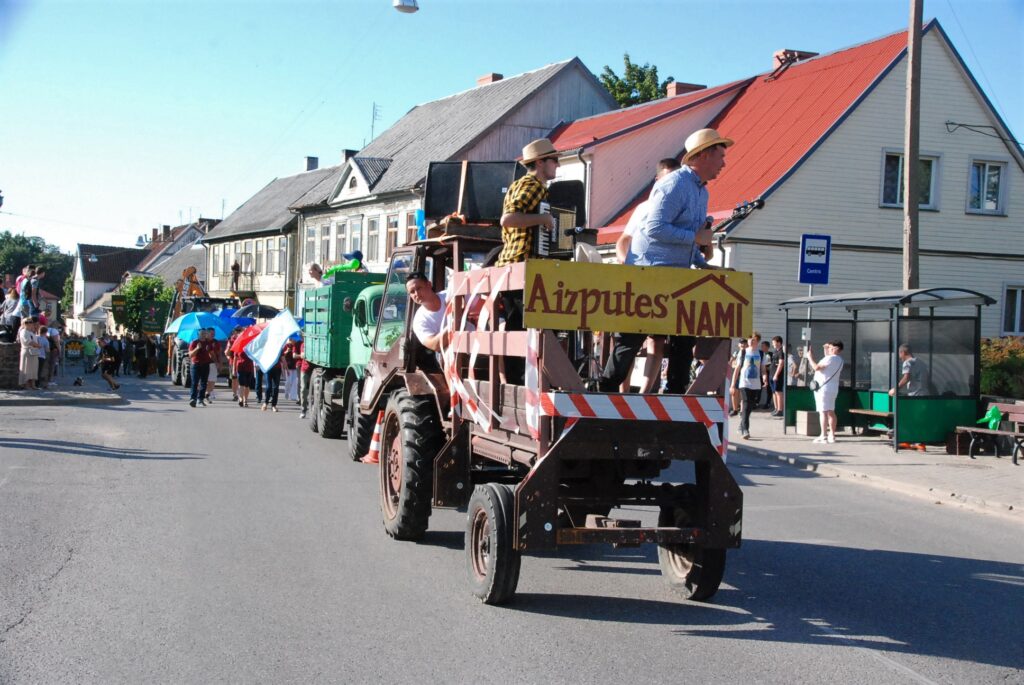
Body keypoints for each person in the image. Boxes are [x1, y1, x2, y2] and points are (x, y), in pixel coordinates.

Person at [601, 128, 732, 393]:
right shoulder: (673, 184)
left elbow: (686, 238)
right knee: (632, 339)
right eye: (720, 155)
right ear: (704, 156)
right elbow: (655, 229)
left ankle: (675, 394)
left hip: (673, 276)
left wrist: (702, 262)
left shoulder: (700, 192)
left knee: (684, 338)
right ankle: (605, 392)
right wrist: (696, 238)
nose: (724, 163)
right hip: (649, 275)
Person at [615, 158, 681, 393]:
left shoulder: (681, 207)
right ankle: (623, 391)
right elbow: (623, 241)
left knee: (657, 341)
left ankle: (645, 393)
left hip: (664, 282)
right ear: (658, 179)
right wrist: (629, 264)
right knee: (629, 341)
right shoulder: (645, 208)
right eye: (668, 177)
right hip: (640, 280)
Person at [496, 138, 559, 268]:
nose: (558, 165)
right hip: (521, 264)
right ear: (540, 162)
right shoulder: (534, 186)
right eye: (554, 160)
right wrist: (544, 218)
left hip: (511, 263)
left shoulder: (518, 184)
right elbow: (508, 219)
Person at [805, 340, 844, 444]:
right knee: (831, 411)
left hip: (823, 388)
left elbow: (816, 367)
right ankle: (832, 435)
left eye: (831, 347)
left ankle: (823, 435)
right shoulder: (839, 360)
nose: (829, 349)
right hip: (833, 388)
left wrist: (809, 357)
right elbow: (827, 360)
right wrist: (825, 348)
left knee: (823, 412)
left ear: (836, 349)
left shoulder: (830, 358)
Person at [732, 332, 763, 439]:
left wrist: (764, 377)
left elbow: (762, 368)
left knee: (750, 406)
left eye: (753, 340)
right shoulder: (743, 352)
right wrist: (732, 385)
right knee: (745, 404)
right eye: (749, 339)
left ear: (757, 342)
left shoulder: (761, 353)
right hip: (744, 383)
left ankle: (741, 425)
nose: (750, 341)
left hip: (755, 384)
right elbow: (737, 369)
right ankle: (745, 430)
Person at [187, 328, 216, 407]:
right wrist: (197, 348)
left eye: (205, 333)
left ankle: (201, 399)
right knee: (195, 382)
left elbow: (212, 354)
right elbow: (190, 355)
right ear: (198, 334)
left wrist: (215, 361)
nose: (203, 335)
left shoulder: (208, 343)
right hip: (195, 365)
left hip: (205, 365)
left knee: (204, 382)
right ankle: (193, 399)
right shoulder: (194, 342)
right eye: (202, 333)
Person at [18, 316, 41, 389]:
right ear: (23, 323)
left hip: (33, 352)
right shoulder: (23, 331)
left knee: (33, 369)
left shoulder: (31, 332)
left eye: (30, 322)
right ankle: (26, 385)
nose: (29, 323)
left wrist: (37, 345)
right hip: (27, 352)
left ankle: (33, 385)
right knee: (26, 369)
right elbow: (28, 341)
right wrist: (37, 345)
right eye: (26, 322)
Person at [296, 335, 312, 419]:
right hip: (305, 369)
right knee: (303, 389)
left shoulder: (314, 343)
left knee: (312, 391)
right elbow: (302, 355)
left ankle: (313, 408)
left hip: (315, 370)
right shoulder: (303, 345)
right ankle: (303, 410)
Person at [770, 336, 785, 416]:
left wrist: (776, 375)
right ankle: (776, 408)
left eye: (774, 342)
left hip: (777, 375)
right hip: (771, 374)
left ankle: (780, 409)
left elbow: (781, 363)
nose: (773, 344)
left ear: (779, 342)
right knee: (774, 392)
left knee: (778, 392)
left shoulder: (781, 352)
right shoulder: (775, 351)